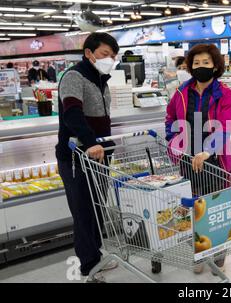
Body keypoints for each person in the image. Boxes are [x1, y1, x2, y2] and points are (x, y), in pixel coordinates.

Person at [55, 32, 120, 283]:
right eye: (105, 55)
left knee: (96, 208)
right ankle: (88, 267)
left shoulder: (101, 79)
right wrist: (91, 142)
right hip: (77, 156)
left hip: (99, 155)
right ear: (89, 54)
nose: (110, 60)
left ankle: (96, 255)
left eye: (113, 56)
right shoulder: (74, 76)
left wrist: (103, 145)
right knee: (83, 211)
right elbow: (72, 114)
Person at [165, 44, 231, 273]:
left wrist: (208, 150)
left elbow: (225, 126)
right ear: (190, 66)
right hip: (188, 159)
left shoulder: (224, 93)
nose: (201, 66)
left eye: (206, 62)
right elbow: (170, 119)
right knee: (194, 206)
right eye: (196, 63)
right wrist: (174, 142)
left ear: (215, 66)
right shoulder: (181, 93)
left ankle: (218, 252)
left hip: (215, 159)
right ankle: (199, 252)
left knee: (216, 207)